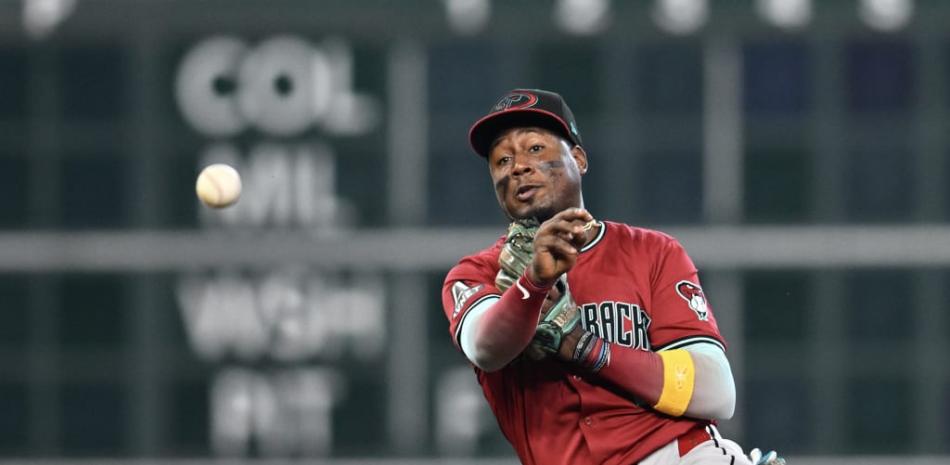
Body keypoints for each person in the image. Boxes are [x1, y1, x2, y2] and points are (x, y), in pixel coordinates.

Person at [440, 89, 784, 465]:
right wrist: (533, 284)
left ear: (578, 159)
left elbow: (715, 392)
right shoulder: (477, 273)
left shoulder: (651, 252)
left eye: (535, 149)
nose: (518, 166)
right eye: (502, 160)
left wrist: (582, 347)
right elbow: (485, 349)